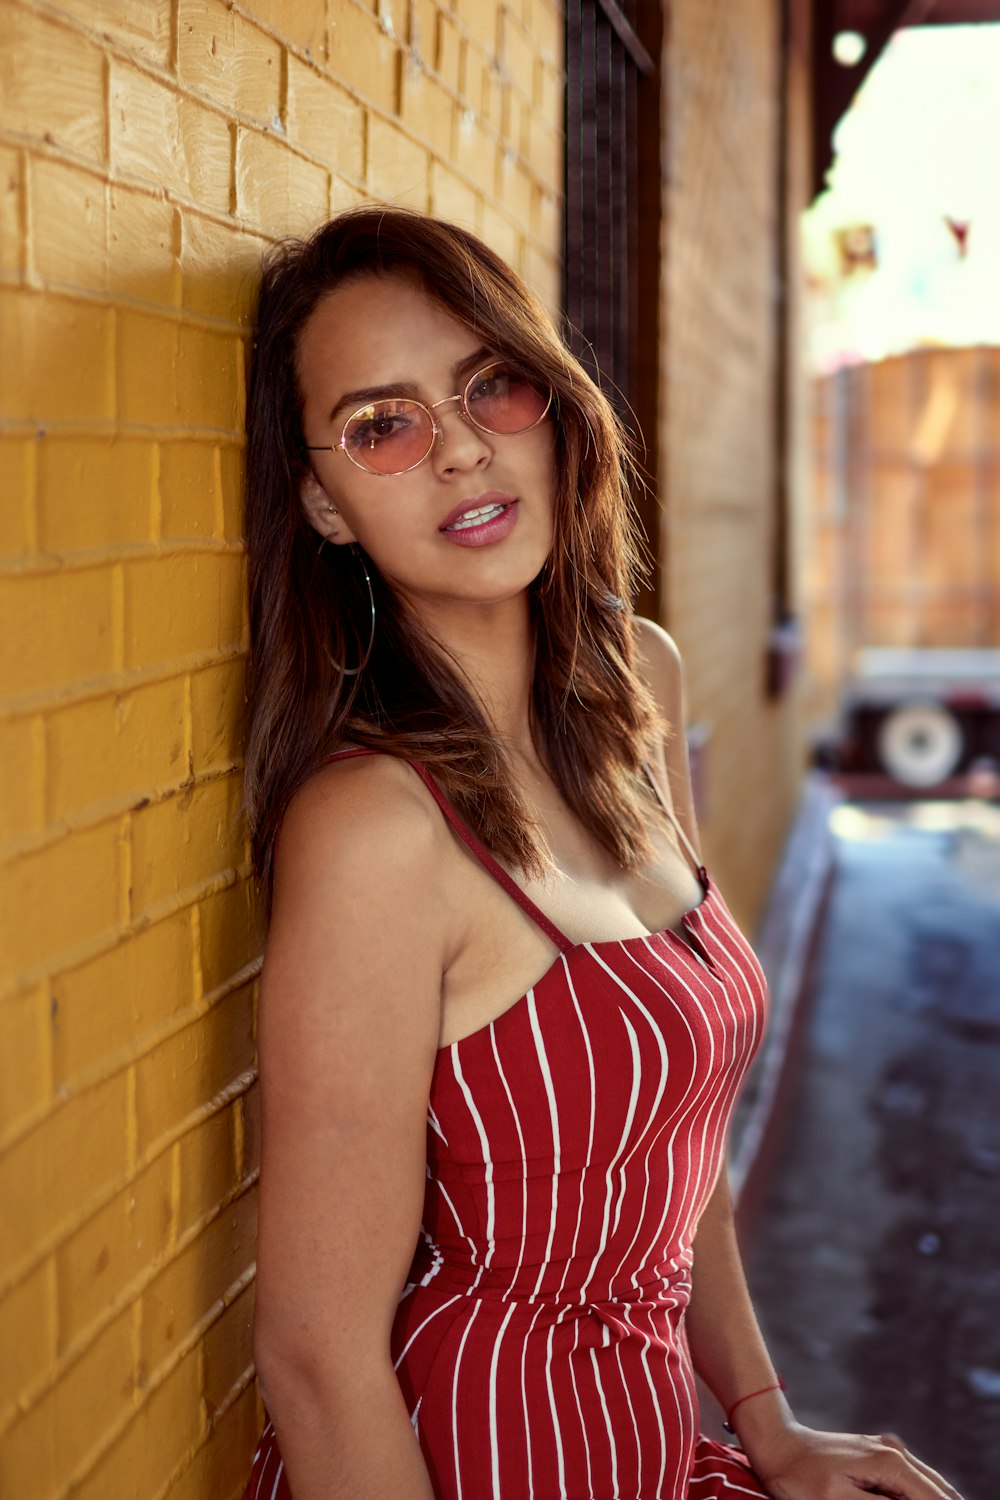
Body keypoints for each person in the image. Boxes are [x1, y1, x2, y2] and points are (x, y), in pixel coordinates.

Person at [240, 206, 963, 1500]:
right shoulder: (374, 832)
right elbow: (314, 1356)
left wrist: (771, 1423)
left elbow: (678, 1155)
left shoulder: (640, 681)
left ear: (553, 403)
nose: (460, 448)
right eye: (382, 425)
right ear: (324, 502)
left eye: (490, 386)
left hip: (661, 1453)